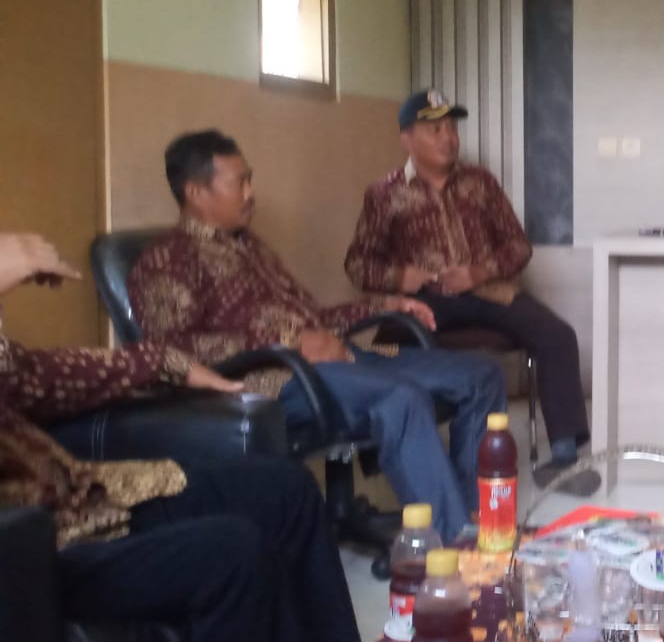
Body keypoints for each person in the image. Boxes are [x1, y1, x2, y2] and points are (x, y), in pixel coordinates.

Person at [0, 231, 363, 642]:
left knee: (285, 488)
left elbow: (42, 375)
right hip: (37, 552)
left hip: (91, 500)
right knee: (232, 551)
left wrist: (166, 363)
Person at [129, 130, 506, 542]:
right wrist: (289, 341)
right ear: (196, 192)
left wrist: (385, 305)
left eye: (250, 180)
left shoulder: (250, 247)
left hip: (338, 358)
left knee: (480, 376)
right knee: (400, 397)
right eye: (241, 182)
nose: (251, 193)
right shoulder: (168, 259)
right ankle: (457, 545)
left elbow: (314, 316)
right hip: (277, 378)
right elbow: (171, 349)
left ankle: (476, 516)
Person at [344, 89, 599, 494]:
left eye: (451, 128)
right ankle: (392, 453)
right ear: (407, 138)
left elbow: (518, 246)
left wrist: (478, 272)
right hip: (425, 301)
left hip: (489, 292)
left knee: (557, 335)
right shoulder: (384, 194)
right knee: (388, 348)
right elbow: (358, 264)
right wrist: (401, 277)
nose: (448, 137)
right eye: (435, 130)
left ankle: (565, 457)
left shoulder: (480, 183)